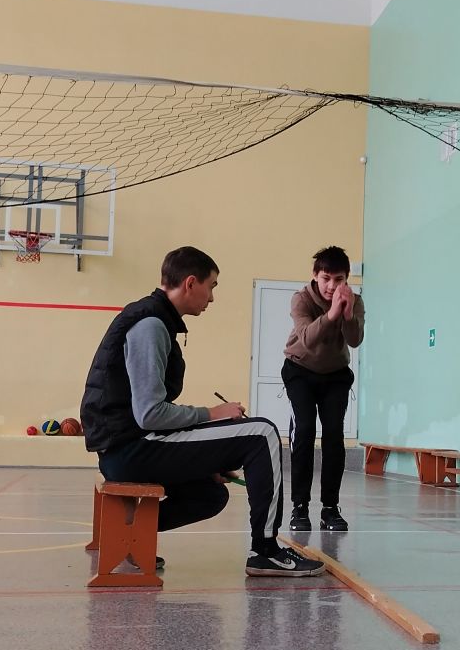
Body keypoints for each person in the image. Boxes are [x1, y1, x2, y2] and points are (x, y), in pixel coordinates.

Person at [81, 245, 324, 578]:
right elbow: (149, 414)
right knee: (262, 433)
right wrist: (213, 413)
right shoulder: (151, 325)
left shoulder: (152, 319)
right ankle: (266, 551)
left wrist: (207, 459)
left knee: (210, 494)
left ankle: (132, 536)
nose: (211, 298)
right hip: (131, 449)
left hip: (127, 447)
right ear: (190, 283)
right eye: (211, 287)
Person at [282, 245, 364, 534]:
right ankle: (299, 506)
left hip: (335, 375)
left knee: (333, 436)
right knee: (304, 430)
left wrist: (348, 313)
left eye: (339, 279)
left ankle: (330, 507)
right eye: (326, 278)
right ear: (315, 275)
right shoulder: (301, 299)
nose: (331, 286)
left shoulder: (354, 300)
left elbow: (354, 340)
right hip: (300, 370)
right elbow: (307, 338)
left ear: (347, 279)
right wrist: (332, 314)